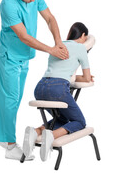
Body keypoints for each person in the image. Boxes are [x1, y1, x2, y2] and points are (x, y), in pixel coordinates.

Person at [0, 0, 69, 160]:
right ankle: (9, 146)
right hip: (9, 56)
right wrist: (51, 50)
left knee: (15, 98)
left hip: (24, 56)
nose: (33, 1)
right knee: (10, 98)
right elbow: (24, 37)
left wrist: (58, 42)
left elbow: (49, 18)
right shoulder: (8, 4)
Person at [22, 22, 94, 161]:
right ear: (83, 35)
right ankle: (51, 135)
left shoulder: (58, 45)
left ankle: (35, 131)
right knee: (79, 121)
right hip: (58, 89)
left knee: (61, 118)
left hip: (40, 87)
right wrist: (88, 77)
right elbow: (86, 78)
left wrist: (79, 77)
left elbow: (61, 72)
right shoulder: (81, 48)